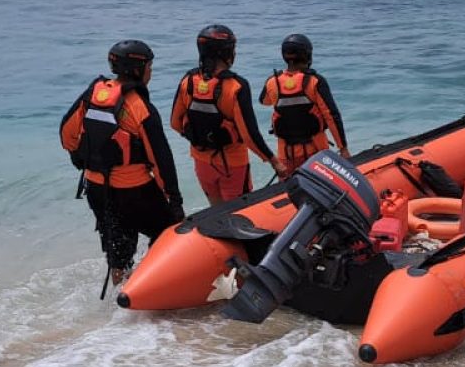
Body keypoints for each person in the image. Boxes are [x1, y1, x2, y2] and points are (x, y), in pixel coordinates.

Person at [59, 39, 185, 288]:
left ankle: (122, 296)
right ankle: (153, 287)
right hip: (134, 192)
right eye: (149, 66)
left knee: (119, 251)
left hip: (97, 189)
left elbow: (66, 133)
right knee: (168, 232)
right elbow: (161, 159)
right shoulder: (140, 107)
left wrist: (79, 156)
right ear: (137, 69)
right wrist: (175, 199)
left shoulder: (93, 94)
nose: (151, 71)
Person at [170, 24, 282, 205]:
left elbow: (175, 123)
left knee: (216, 211)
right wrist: (274, 161)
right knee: (239, 213)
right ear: (225, 52)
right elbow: (249, 135)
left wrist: (200, 137)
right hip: (233, 166)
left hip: (201, 163)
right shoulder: (236, 86)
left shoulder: (188, 81)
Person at [258, 33, 349, 174]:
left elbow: (264, 101)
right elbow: (332, 116)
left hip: (286, 154)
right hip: (316, 151)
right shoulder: (315, 81)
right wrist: (343, 148)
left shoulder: (272, 82)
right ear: (307, 55)